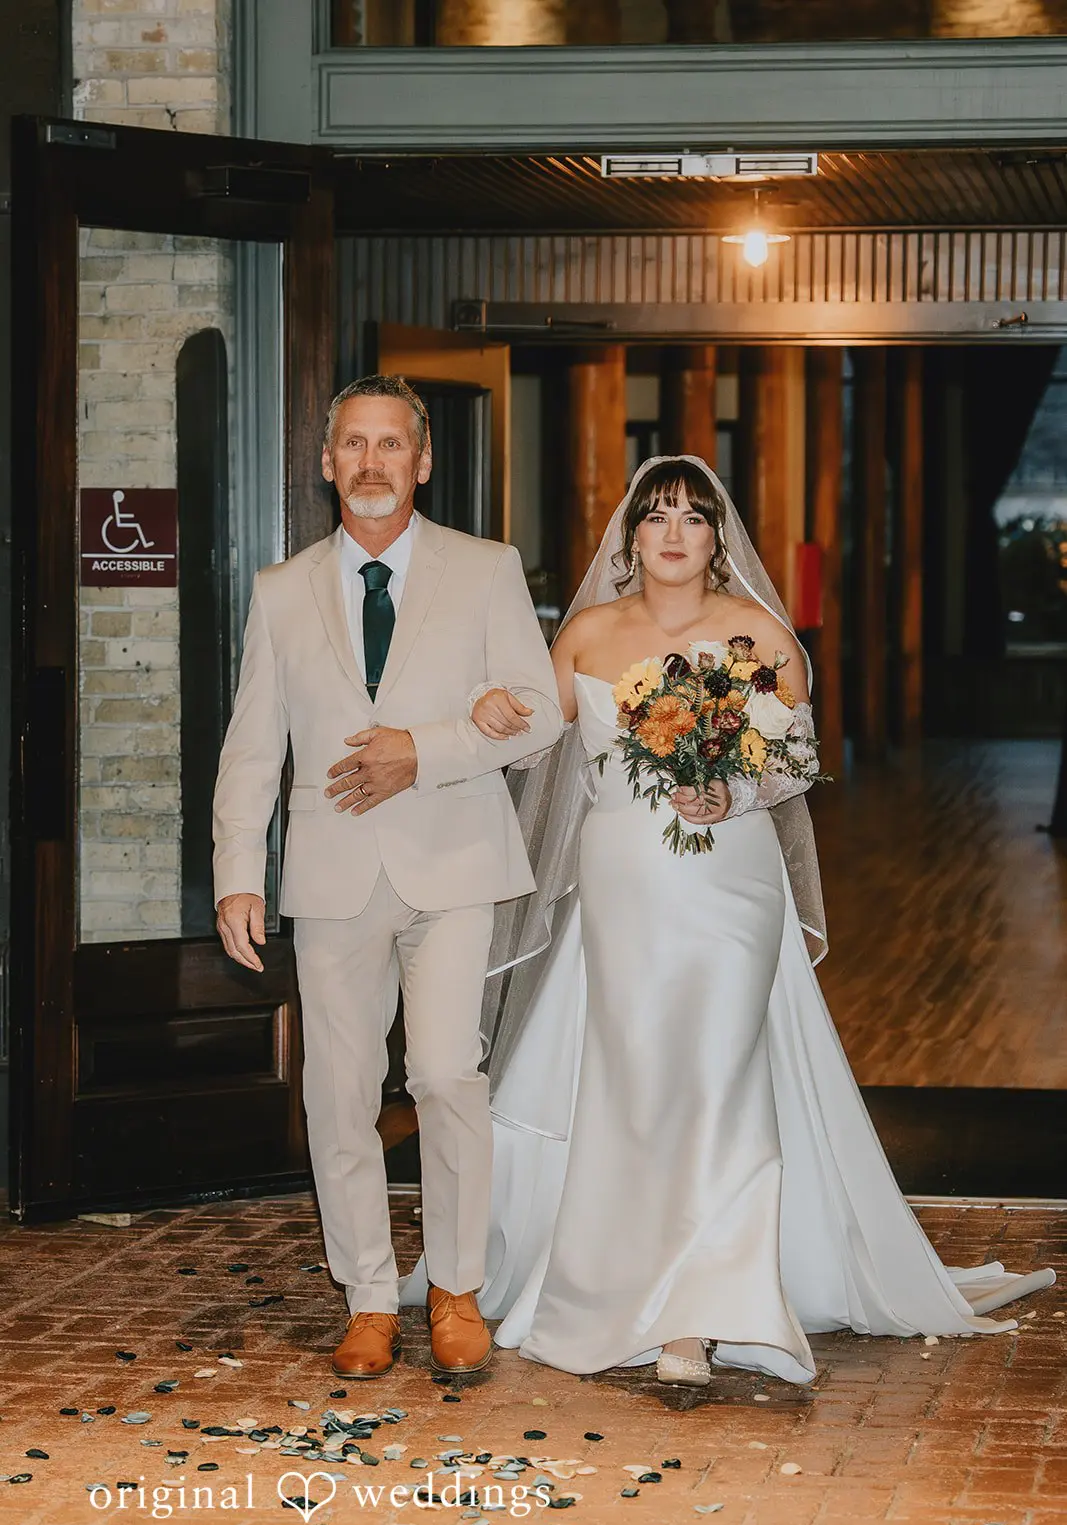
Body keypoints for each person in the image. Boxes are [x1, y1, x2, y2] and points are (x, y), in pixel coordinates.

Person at [399, 455, 1054, 1387]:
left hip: (731, 889)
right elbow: (532, 739)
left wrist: (734, 785)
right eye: (655, 515)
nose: (672, 533)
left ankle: (698, 1317)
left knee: (716, 1082)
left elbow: (793, 760)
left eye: (693, 518)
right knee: (631, 1085)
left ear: (717, 536)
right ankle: (618, 1282)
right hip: (621, 884)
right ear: (630, 536)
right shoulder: (583, 634)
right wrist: (481, 703)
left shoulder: (760, 636)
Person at [212, 375, 563, 1380]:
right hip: (329, 877)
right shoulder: (281, 591)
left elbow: (538, 714)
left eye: (389, 445)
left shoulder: (484, 568)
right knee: (337, 1090)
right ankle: (368, 1295)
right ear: (327, 464)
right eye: (352, 446)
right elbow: (251, 747)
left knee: (447, 1073)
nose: (371, 464)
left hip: (453, 861)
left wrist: (431, 747)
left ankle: (454, 1288)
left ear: (421, 460)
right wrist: (239, 869)